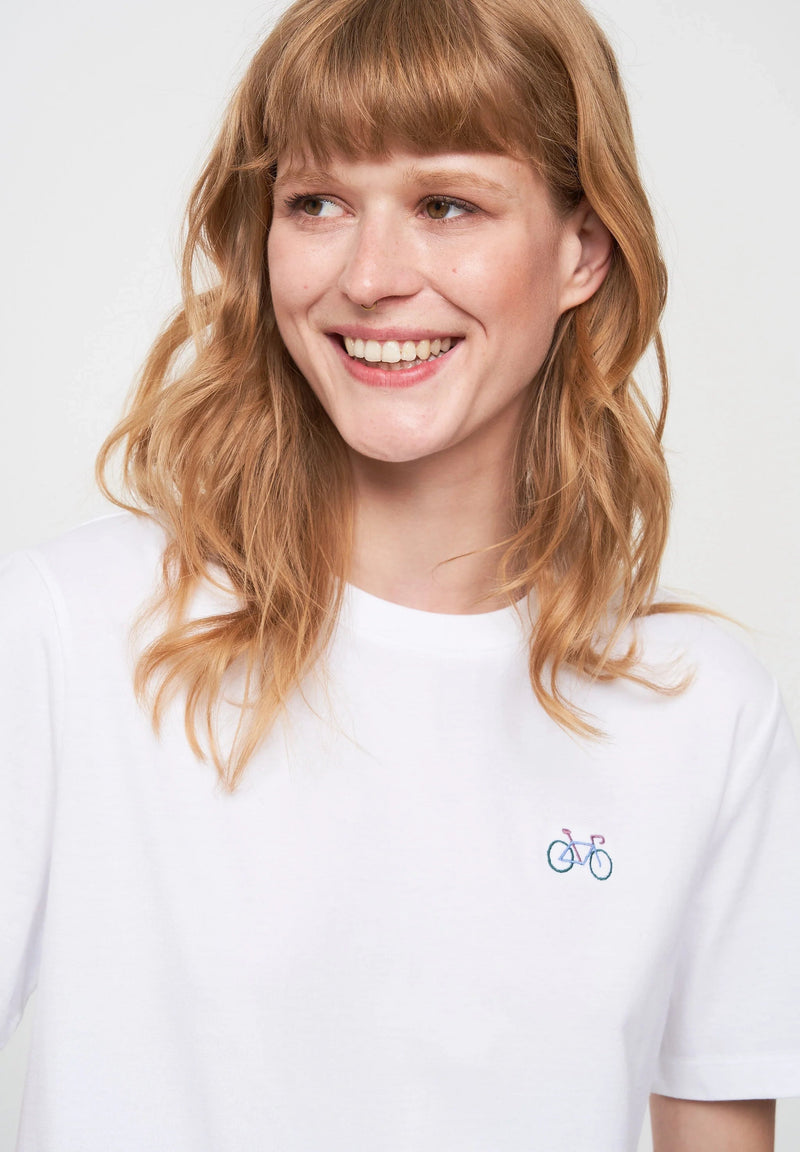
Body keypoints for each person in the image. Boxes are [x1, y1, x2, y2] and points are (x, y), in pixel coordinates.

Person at [1, 0, 798, 1148]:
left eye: (445, 204)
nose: (370, 277)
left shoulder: (699, 711)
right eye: (315, 203)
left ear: (580, 251)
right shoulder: (67, 636)